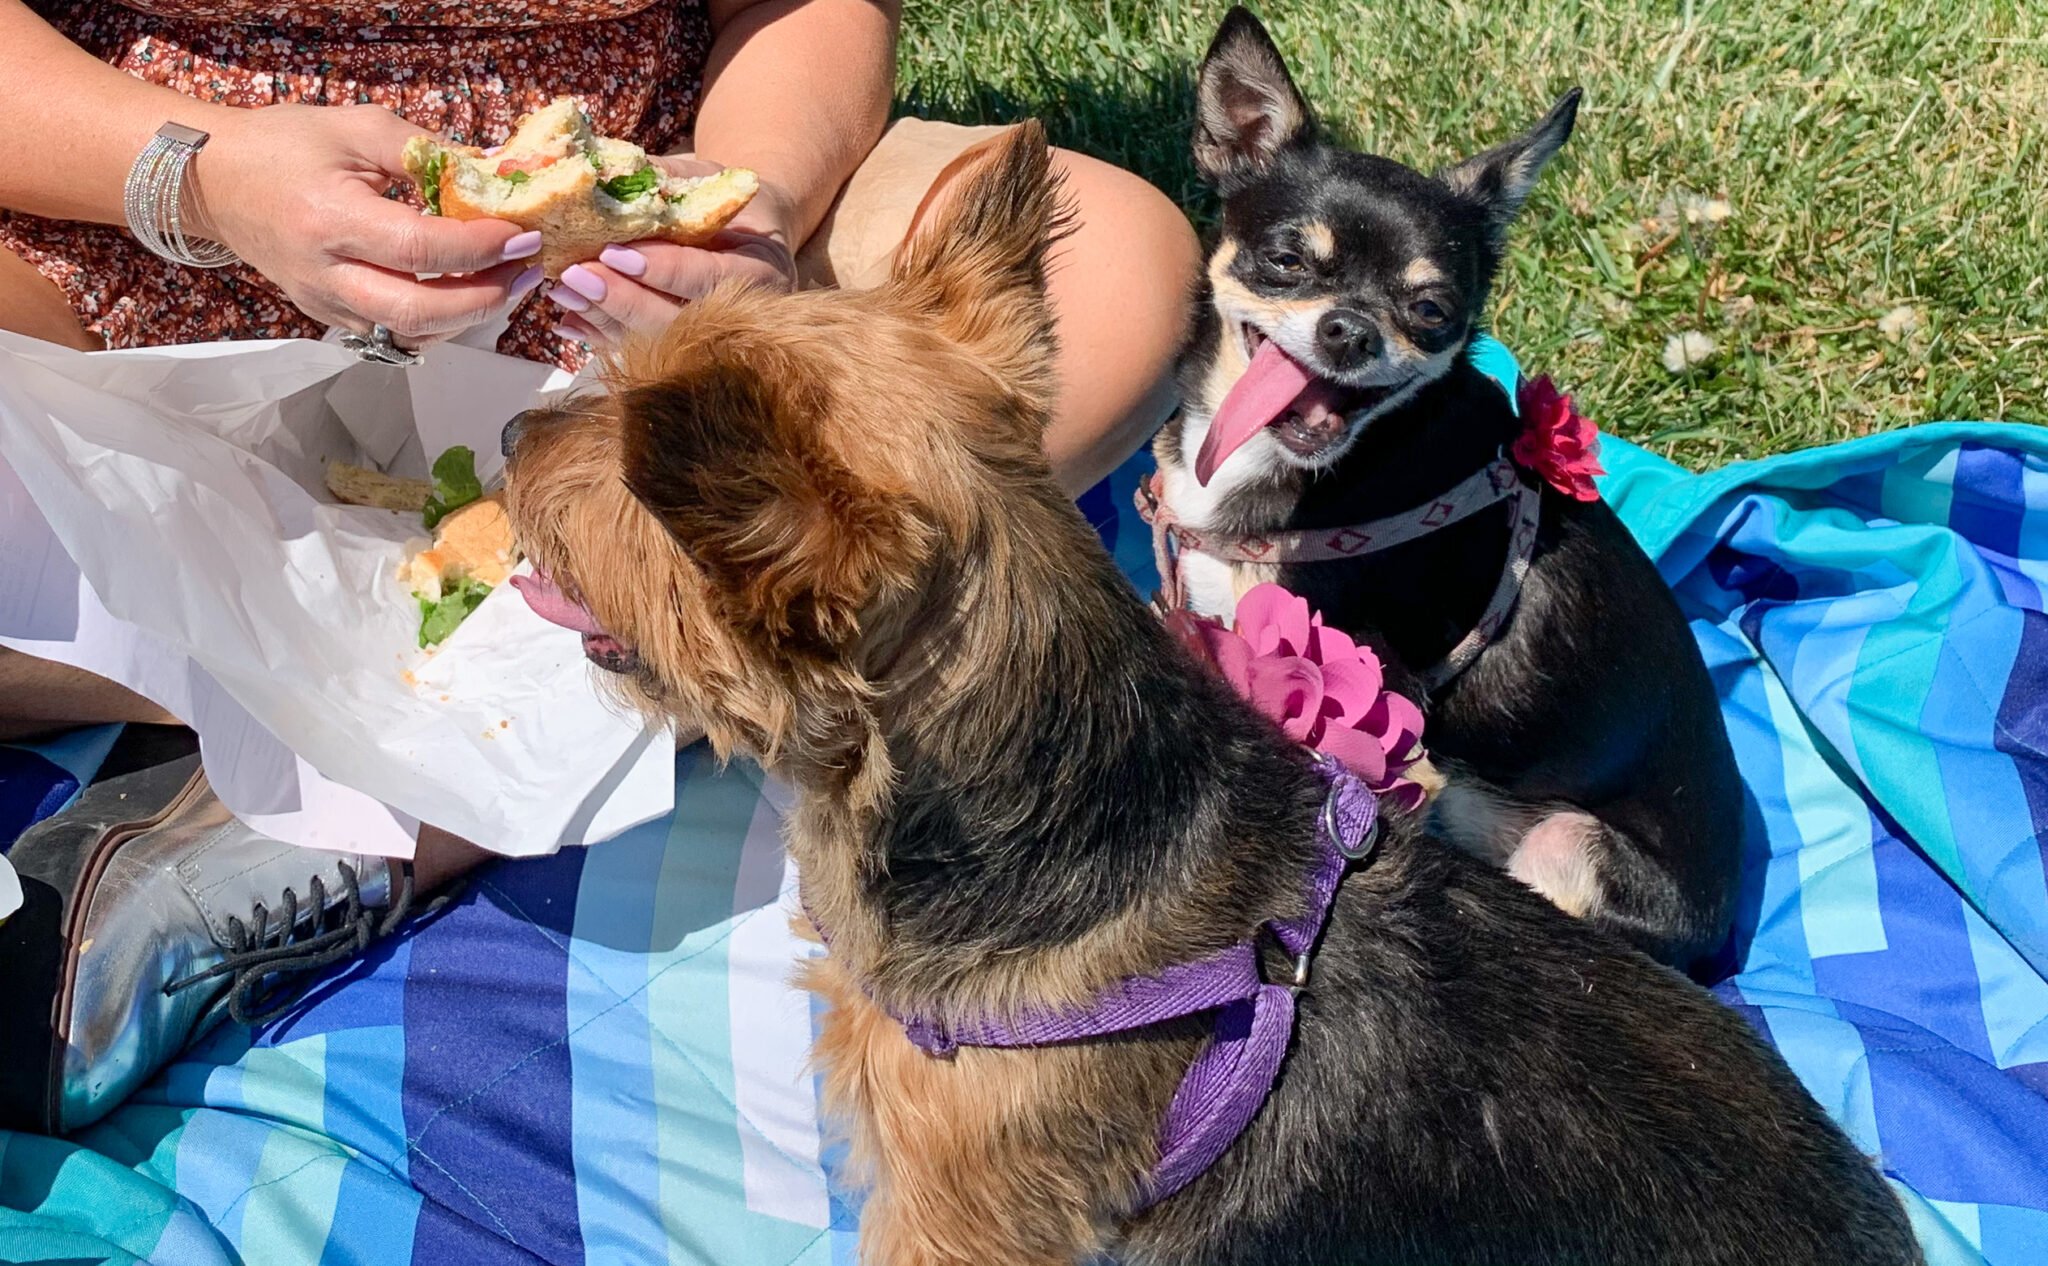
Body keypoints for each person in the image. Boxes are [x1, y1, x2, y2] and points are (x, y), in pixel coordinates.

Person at [0, 0, 1199, 1132]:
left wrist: (756, 198)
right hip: (129, 232)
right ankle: (526, 687)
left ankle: (375, 808)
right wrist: (194, 175)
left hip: (649, 296)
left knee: (1112, 270)